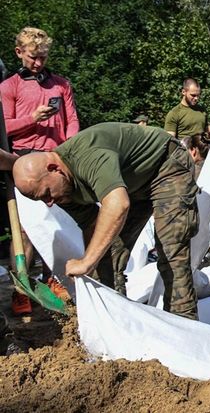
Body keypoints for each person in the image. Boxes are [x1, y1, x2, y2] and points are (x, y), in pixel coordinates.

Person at [12, 123, 200, 320]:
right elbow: (92, 227)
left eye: (47, 194)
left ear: (54, 169)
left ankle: (185, 325)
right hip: (132, 183)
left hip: (165, 166)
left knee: (171, 248)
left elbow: (118, 204)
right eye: (41, 199)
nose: (49, 203)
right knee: (107, 255)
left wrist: (86, 262)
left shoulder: (88, 156)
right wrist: (92, 267)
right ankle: (114, 322)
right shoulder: (62, 191)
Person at [0, 26, 79, 315]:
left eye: (43, 57)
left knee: (56, 224)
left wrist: (70, 147)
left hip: (55, 160)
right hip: (21, 162)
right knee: (24, 229)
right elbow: (3, 127)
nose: (38, 63)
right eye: (33, 57)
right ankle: (21, 289)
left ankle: (53, 279)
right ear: (19, 53)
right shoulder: (9, 87)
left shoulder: (61, 85)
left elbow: (72, 121)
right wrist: (31, 120)